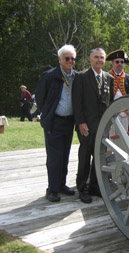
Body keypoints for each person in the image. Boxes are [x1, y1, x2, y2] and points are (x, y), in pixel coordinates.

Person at [72, 47, 114, 203]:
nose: (99, 60)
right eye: (96, 57)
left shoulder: (109, 78)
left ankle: (95, 187)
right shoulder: (81, 77)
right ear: (90, 59)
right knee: (84, 158)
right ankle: (82, 188)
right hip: (86, 126)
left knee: (99, 158)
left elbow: (110, 103)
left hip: (103, 126)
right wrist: (80, 122)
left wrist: (109, 122)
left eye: (102, 57)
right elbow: (77, 103)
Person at [36, 44, 77, 202]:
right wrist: (47, 115)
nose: (70, 61)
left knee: (65, 155)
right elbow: (40, 98)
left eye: (73, 58)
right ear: (60, 59)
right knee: (54, 157)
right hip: (54, 122)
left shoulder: (75, 76)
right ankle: (52, 189)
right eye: (67, 58)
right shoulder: (49, 76)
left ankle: (61, 185)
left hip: (68, 122)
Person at [106, 49, 129, 131]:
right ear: (112, 63)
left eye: (122, 62)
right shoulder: (106, 76)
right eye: (117, 62)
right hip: (111, 113)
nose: (120, 64)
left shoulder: (128, 78)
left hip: (125, 114)